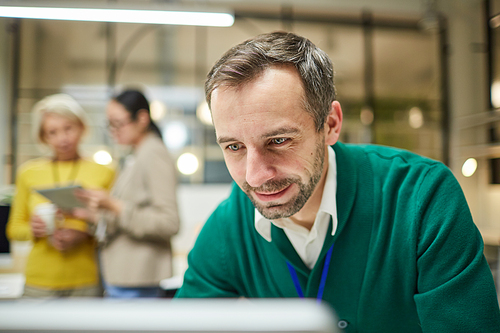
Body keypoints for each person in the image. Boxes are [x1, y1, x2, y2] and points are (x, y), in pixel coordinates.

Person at [175, 32, 500, 331]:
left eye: (278, 141)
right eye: (234, 147)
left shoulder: (421, 197)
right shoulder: (229, 225)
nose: (255, 176)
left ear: (330, 124)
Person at [74, 89, 180, 298]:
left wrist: (114, 205)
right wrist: (93, 215)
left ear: (141, 119)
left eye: (118, 123)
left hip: (137, 278)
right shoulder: (136, 154)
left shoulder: (153, 153)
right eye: (109, 124)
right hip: (125, 276)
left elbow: (169, 222)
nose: (113, 130)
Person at [6, 93, 115, 297]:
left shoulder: (104, 172)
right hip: (39, 282)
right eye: (52, 132)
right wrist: (33, 230)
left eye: (68, 128)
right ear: (43, 137)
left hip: (86, 280)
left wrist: (84, 233)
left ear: (81, 127)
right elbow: (14, 229)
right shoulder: (28, 173)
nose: (62, 139)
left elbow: (114, 226)